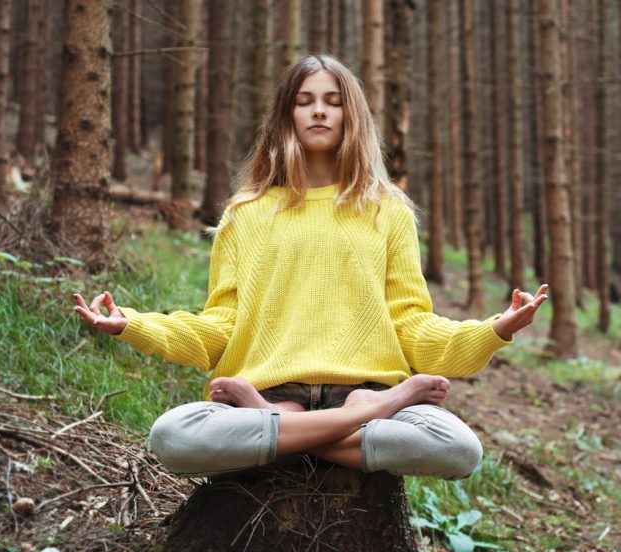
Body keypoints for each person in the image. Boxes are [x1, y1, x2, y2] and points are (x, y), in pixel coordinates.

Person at [73, 54, 548, 480]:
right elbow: (218, 328)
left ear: (352, 116)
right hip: (302, 398)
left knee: (458, 449)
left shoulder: (387, 212)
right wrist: (131, 324)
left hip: (347, 396)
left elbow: (412, 326)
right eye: (305, 101)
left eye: (333, 101)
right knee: (172, 436)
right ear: (287, 116)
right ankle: (332, 420)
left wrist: (493, 330)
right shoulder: (248, 213)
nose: (319, 111)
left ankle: (290, 432)